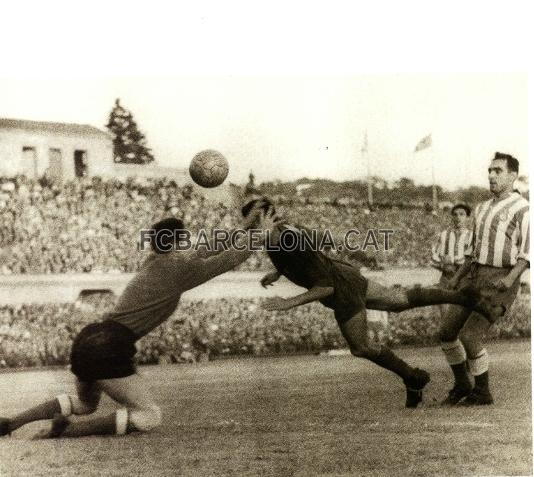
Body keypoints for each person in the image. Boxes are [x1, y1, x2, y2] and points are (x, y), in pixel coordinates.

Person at [0, 205, 272, 438]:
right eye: (186, 240)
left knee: (85, 403)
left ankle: (13, 422)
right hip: (112, 344)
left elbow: (208, 248)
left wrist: (244, 226)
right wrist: (261, 234)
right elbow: (229, 257)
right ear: (178, 244)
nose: (191, 244)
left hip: (89, 336)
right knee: (149, 415)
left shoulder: (153, 259)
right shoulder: (181, 268)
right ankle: (70, 431)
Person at [241, 197, 502, 408]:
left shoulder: (289, 240)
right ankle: (464, 296)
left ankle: (413, 377)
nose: (249, 227)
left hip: (340, 287)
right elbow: (321, 243)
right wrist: (278, 272)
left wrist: (288, 302)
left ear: (268, 218)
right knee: (400, 300)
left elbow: (325, 286)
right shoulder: (280, 236)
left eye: (253, 221)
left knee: (362, 347)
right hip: (347, 275)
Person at [439, 152, 529, 406]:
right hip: (475, 277)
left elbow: (527, 253)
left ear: (513, 175)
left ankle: (482, 391)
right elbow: (471, 252)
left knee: (470, 336)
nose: (491, 175)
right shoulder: (481, 209)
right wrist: (456, 279)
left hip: (501, 280)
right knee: (446, 332)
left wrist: (510, 279)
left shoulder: (523, 209)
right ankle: (462, 384)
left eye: (498, 171)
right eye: (490, 171)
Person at [431, 204, 473, 317]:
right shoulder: (444, 234)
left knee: (462, 313)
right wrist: (442, 264)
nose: (458, 217)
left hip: (464, 277)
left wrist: (454, 261)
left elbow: (474, 258)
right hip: (447, 276)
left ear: (467, 217)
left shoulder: (472, 236)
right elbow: (434, 255)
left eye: (461, 214)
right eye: (455, 214)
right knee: (445, 311)